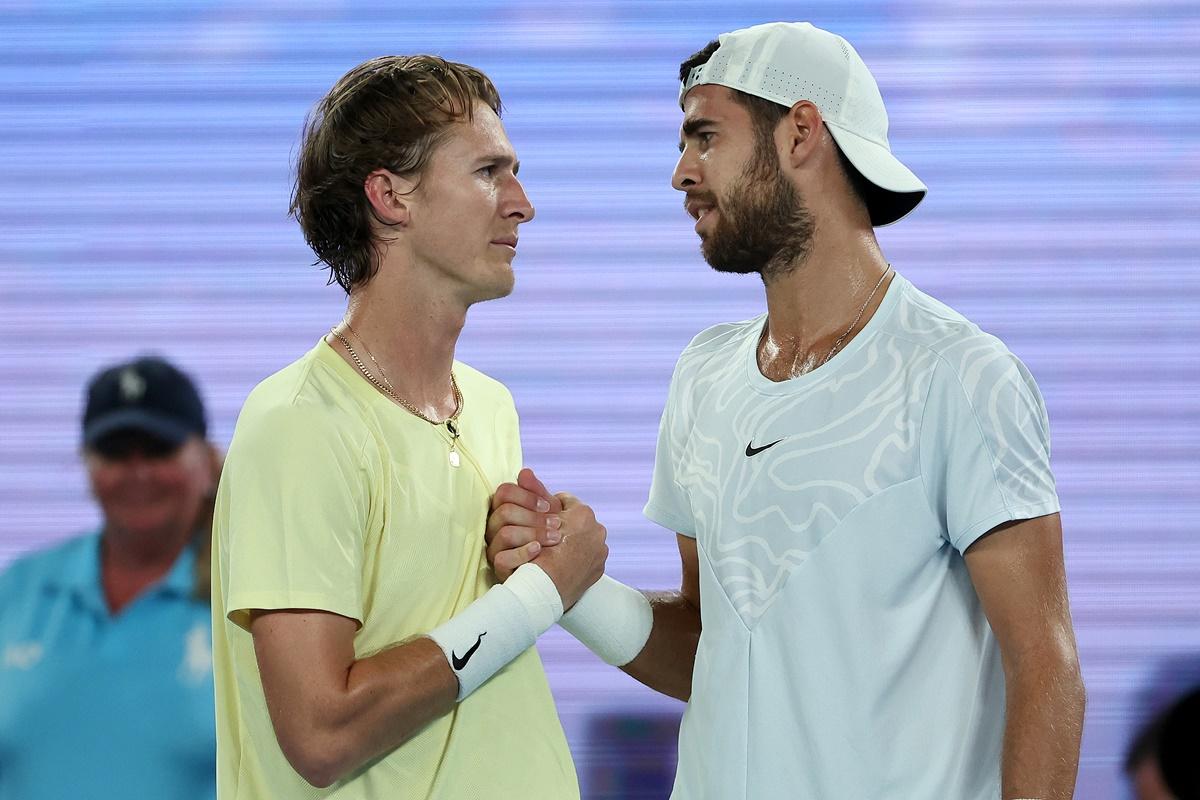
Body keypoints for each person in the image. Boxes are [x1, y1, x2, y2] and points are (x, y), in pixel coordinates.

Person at [486, 21, 1086, 800]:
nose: (680, 172)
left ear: (801, 131)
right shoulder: (704, 374)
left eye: (705, 136)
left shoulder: (961, 377)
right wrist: (571, 587)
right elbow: (712, 648)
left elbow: (1046, 672)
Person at [210, 55, 607, 799]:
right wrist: (540, 595)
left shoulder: (490, 407)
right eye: (490, 172)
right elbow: (322, 734)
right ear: (391, 196)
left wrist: (544, 556)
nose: (523, 203)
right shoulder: (299, 427)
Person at [0, 355, 221, 799]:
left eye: (160, 449)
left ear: (209, 462)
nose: (137, 472)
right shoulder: (19, 591)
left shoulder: (247, 598)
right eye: (115, 452)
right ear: (88, 466)